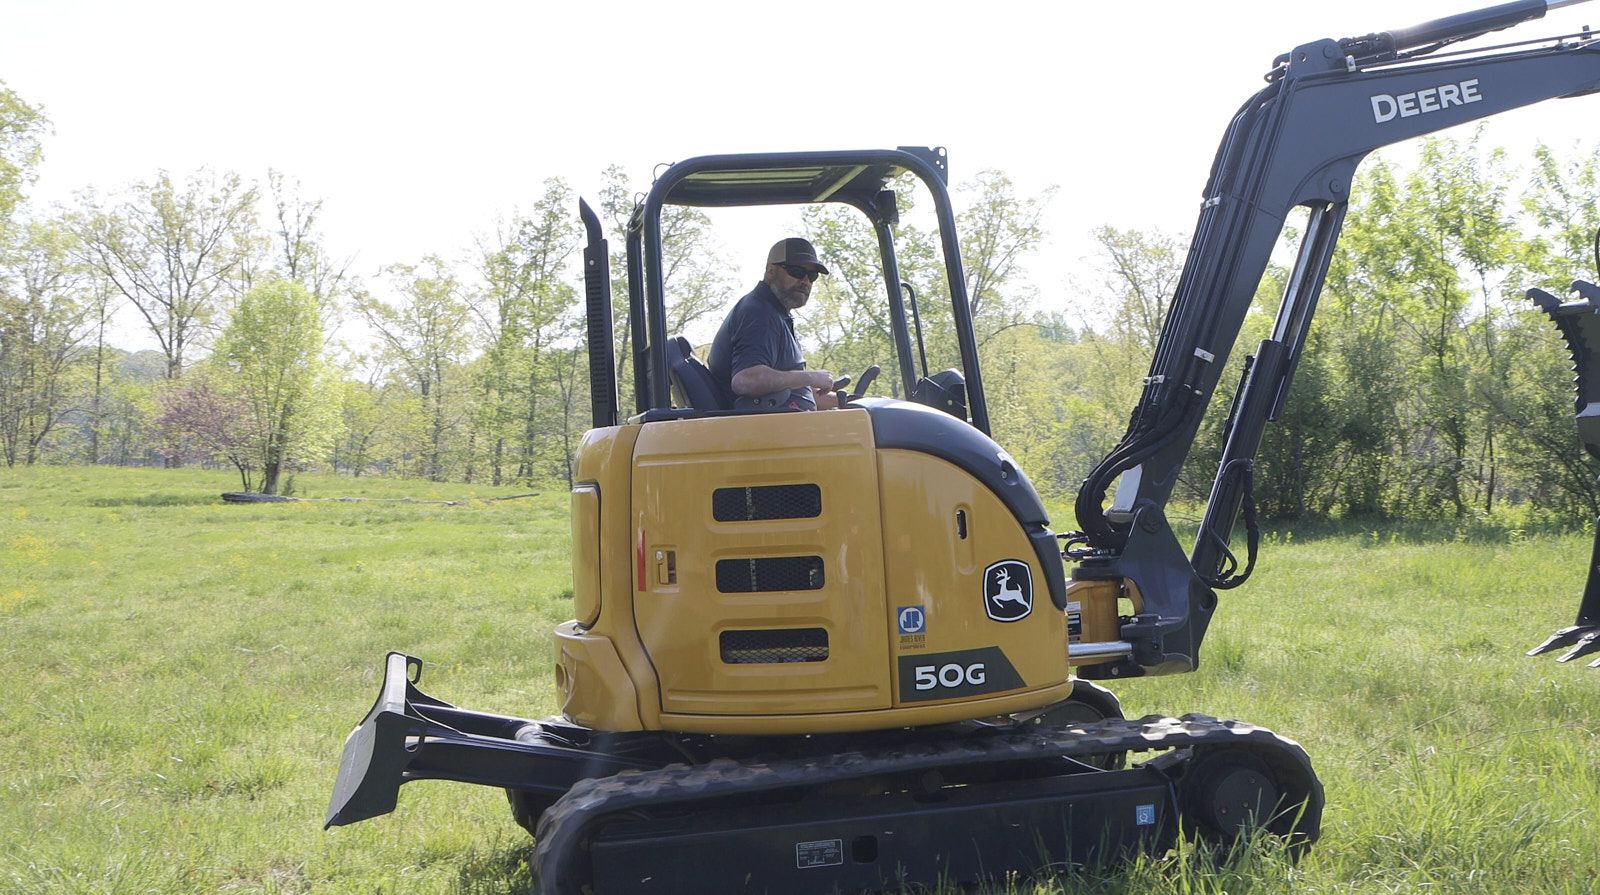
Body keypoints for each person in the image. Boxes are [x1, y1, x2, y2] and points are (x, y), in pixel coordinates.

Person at [708, 237, 837, 411]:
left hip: (787, 426)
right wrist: (810, 376)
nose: (805, 281)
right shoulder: (760, 314)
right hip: (766, 432)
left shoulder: (776, 314)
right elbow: (745, 381)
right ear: (771, 271)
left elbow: (800, 394)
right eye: (796, 271)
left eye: (812, 275)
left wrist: (851, 401)